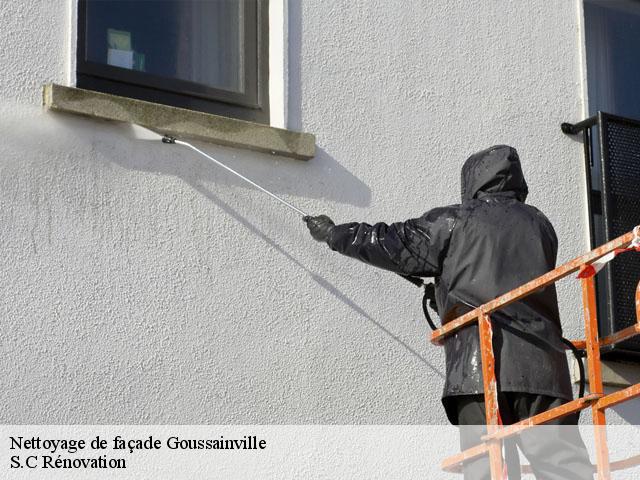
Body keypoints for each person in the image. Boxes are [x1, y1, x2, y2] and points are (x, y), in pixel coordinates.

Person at [304, 145, 593, 479]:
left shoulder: (457, 221)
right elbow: (501, 277)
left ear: (473, 181)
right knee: (564, 469)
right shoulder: (540, 225)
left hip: (478, 370)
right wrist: (445, 291)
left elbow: (391, 243)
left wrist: (334, 234)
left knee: (486, 469)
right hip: (544, 370)